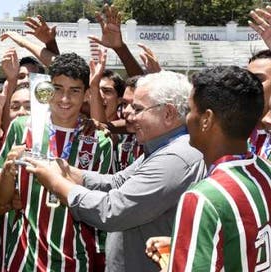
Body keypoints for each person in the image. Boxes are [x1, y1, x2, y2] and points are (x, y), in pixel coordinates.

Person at [24, 70, 207, 271]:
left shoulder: (175, 158)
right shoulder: (161, 147)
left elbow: (112, 211)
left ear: (168, 113)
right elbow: (117, 182)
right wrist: (66, 170)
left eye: (137, 108)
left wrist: (57, 183)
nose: (127, 114)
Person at [0, 53, 116, 271]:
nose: (65, 99)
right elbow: (1, 199)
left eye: (74, 91)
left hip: (77, 260)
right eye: (58, 88)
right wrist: (10, 168)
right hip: (24, 258)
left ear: (86, 94)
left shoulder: (100, 141)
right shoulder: (21, 127)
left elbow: (101, 208)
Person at [146, 66, 271, 271]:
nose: (187, 118)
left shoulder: (203, 198)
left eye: (189, 110)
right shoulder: (265, 171)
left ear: (206, 119)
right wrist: (185, 243)